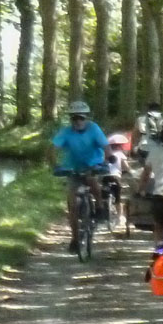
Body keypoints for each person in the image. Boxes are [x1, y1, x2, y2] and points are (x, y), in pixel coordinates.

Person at [50, 100, 109, 253]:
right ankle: (75, 239)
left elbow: (106, 146)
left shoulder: (94, 129)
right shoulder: (65, 131)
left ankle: (100, 207)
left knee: (92, 179)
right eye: (74, 118)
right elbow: (52, 149)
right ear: (71, 119)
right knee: (72, 204)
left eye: (81, 118)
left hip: (93, 164)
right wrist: (55, 165)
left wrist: (107, 161)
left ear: (86, 118)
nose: (78, 121)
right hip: (73, 167)